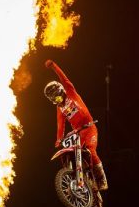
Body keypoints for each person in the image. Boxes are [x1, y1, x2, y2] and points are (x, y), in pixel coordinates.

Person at [44, 59, 108, 191]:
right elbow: (60, 124)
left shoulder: (70, 92)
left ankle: (102, 180)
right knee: (72, 152)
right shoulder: (59, 108)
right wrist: (58, 139)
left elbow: (64, 78)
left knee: (91, 151)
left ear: (62, 90)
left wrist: (54, 66)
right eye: (54, 99)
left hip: (89, 128)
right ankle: (78, 177)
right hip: (78, 134)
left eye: (58, 96)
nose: (58, 100)